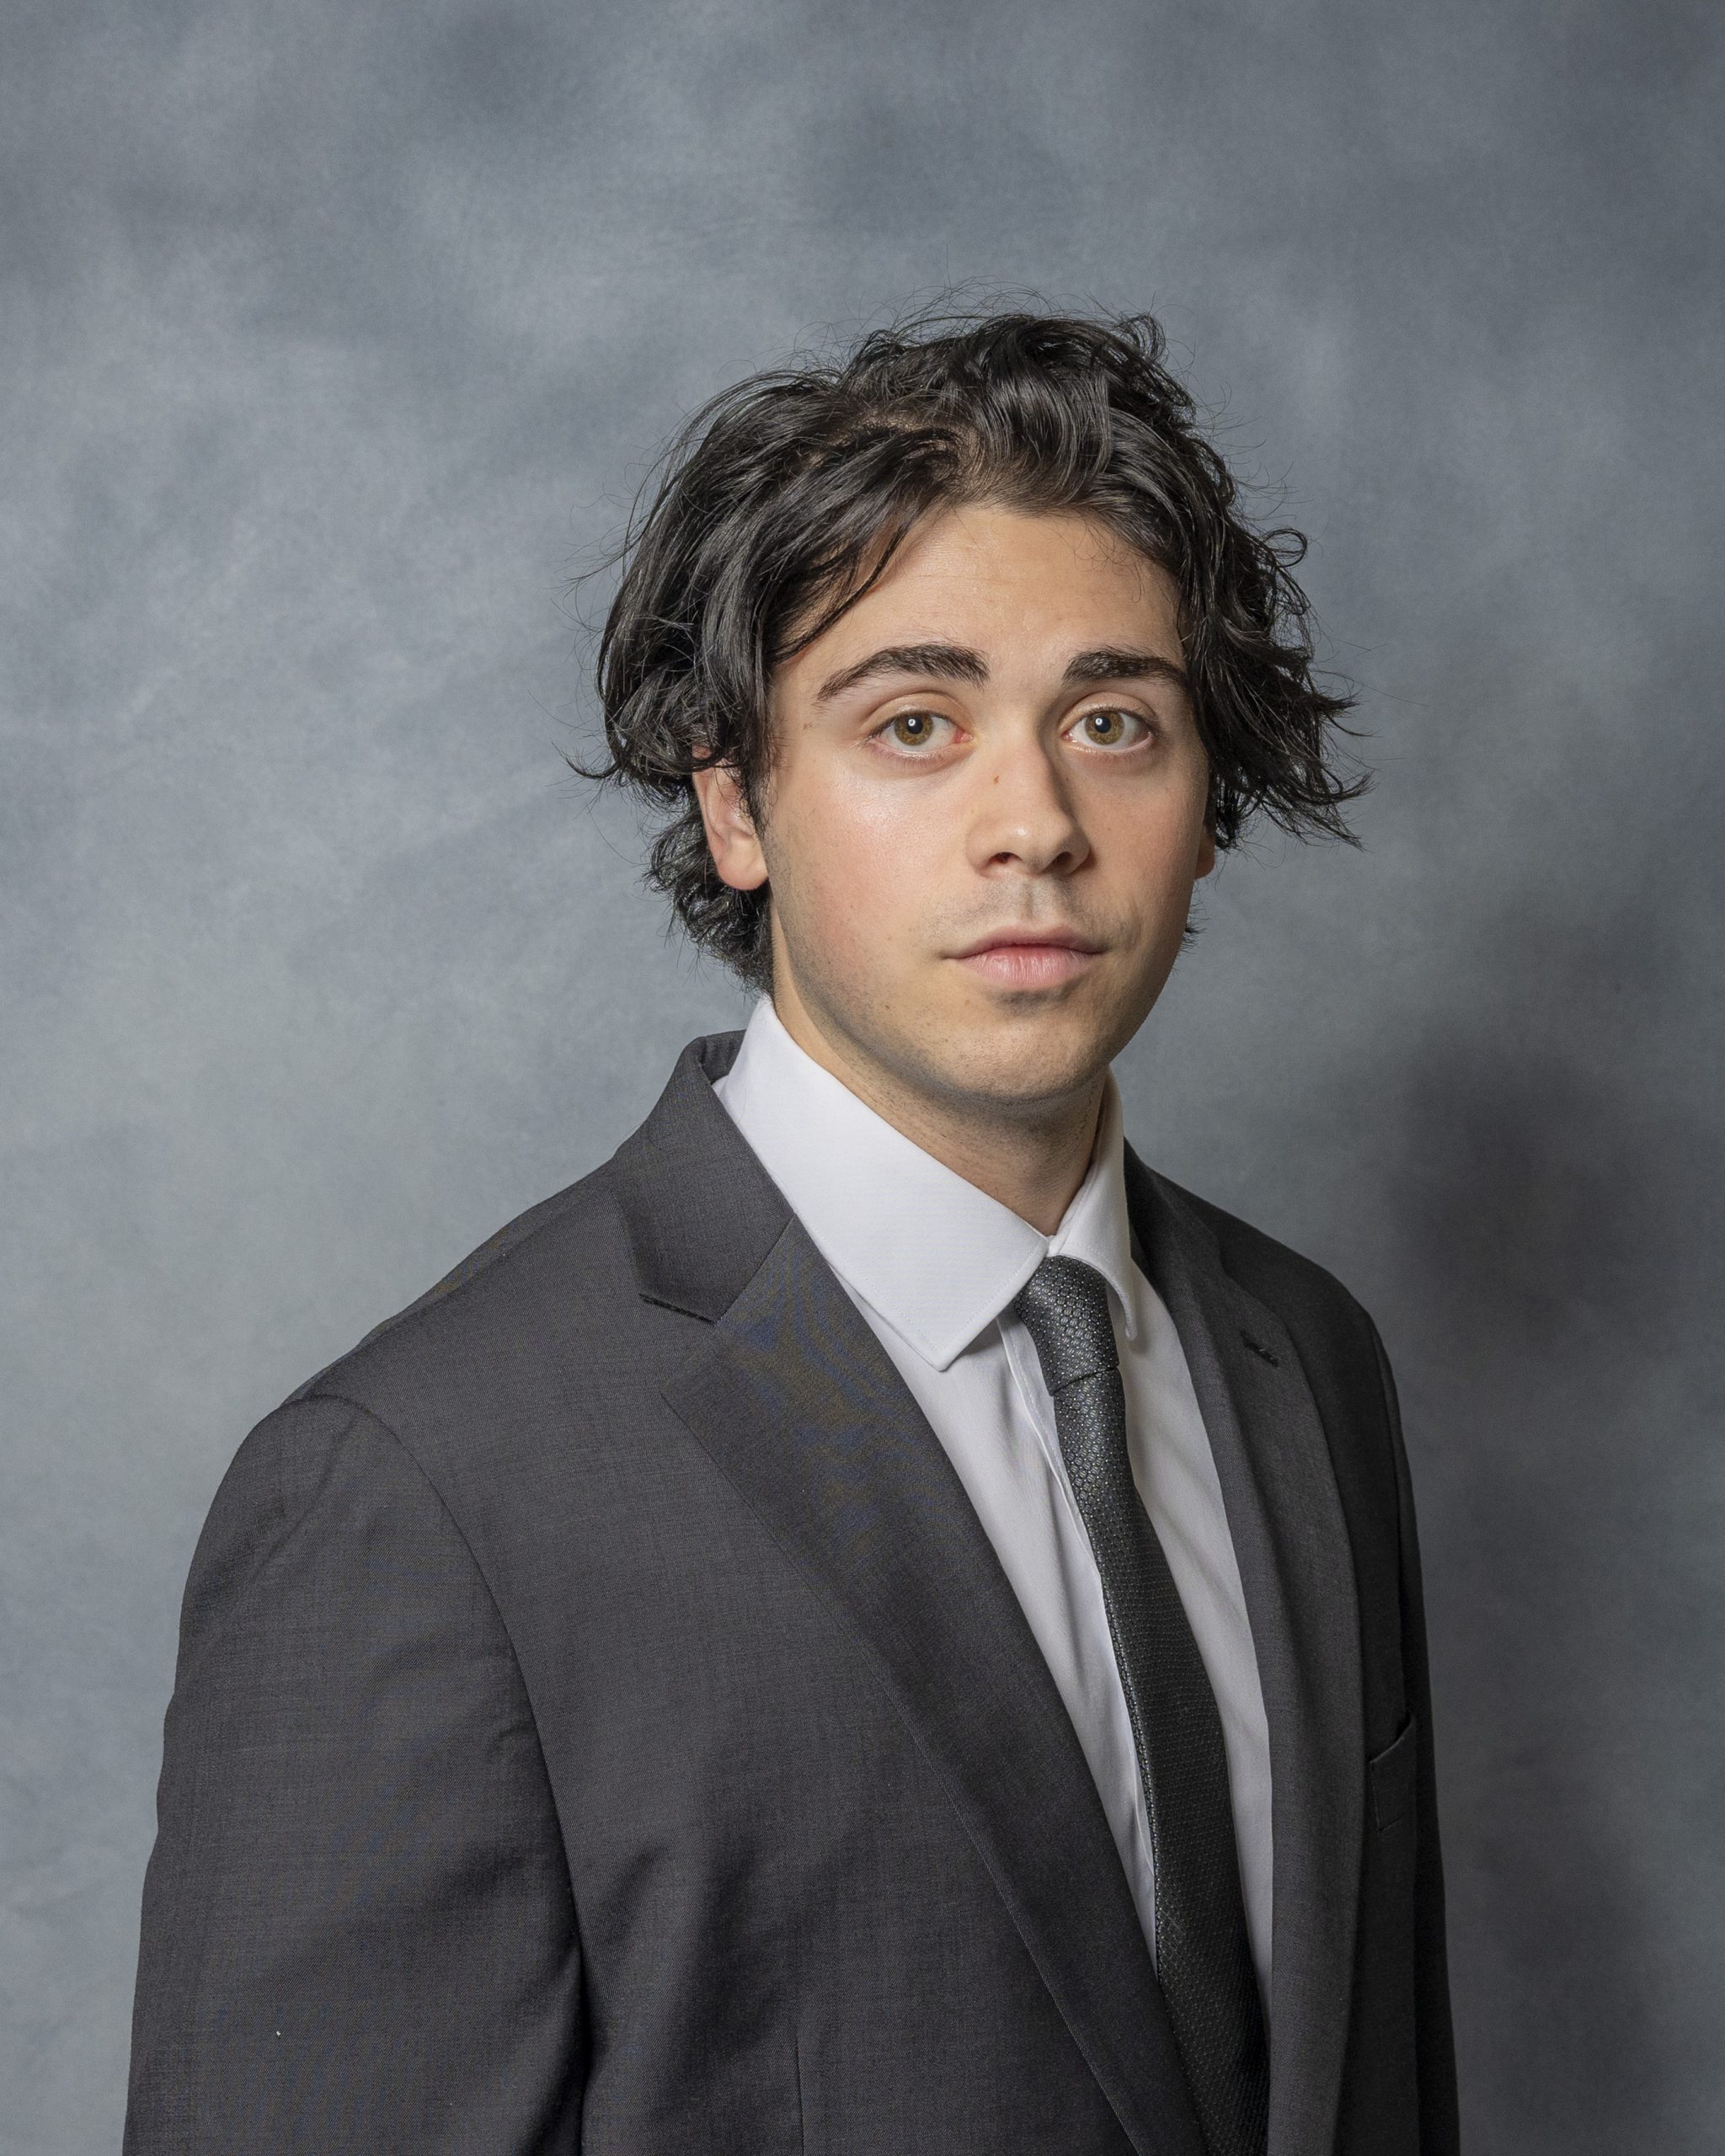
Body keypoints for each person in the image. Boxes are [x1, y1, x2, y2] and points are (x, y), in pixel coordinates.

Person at [126, 310, 1457, 2155]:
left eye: (1113, 723)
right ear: (735, 802)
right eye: (914, 724)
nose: (1035, 822)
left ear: (1206, 805)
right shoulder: (417, 1492)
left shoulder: (1305, 1360)